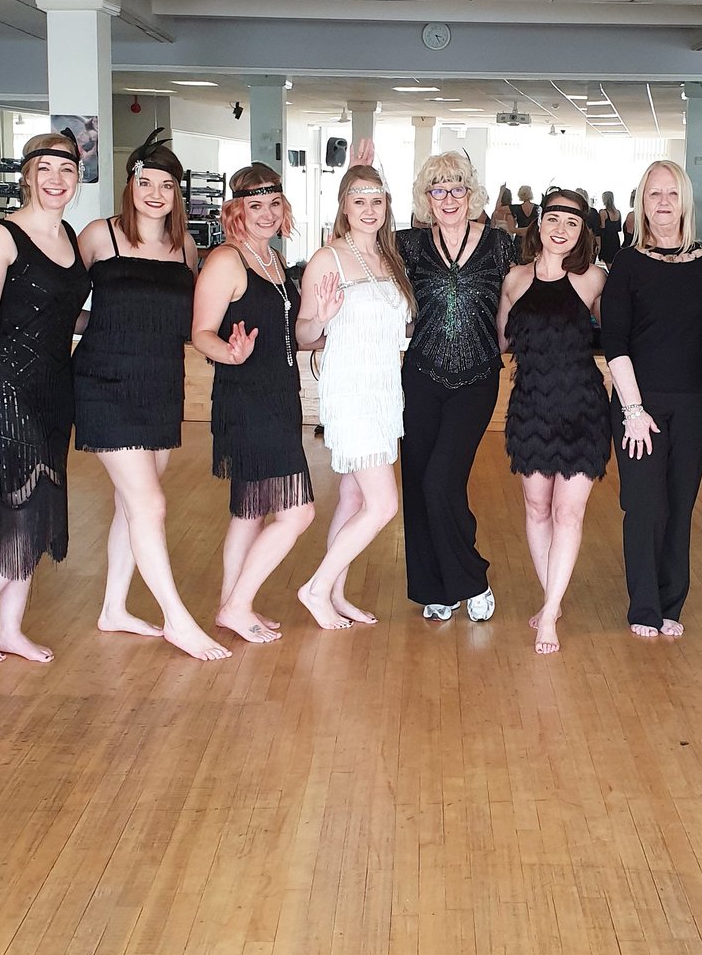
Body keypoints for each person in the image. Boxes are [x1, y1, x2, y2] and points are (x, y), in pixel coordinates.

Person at [74, 129, 229, 661]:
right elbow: (61, 302)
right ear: (131, 183)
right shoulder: (100, 236)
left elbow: (191, 317)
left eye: (167, 184)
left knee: (130, 505)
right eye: (147, 181)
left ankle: (114, 607)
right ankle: (176, 618)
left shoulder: (184, 246)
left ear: (177, 193)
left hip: (160, 384)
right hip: (103, 382)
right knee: (151, 504)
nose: (156, 193)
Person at [0, 131, 91, 665]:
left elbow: (62, 316)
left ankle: (9, 629)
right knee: (24, 511)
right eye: (45, 169)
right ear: (27, 175)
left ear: (77, 179)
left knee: (39, 508)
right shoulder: (4, 238)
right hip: (5, 386)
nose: (56, 179)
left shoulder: (70, 236)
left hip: (54, 385)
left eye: (66, 170)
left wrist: (113, 327)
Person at [599, 159, 702, 638]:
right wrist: (633, 411)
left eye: (672, 193)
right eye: (654, 194)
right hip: (639, 404)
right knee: (643, 503)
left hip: (697, 402)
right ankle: (644, 607)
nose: (664, 203)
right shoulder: (628, 264)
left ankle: (672, 604)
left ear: (685, 200)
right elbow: (616, 341)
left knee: (680, 503)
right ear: (641, 202)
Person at [191, 163, 314, 643]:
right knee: (297, 512)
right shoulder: (227, 260)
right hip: (246, 400)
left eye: (274, 204)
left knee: (249, 511)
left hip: (279, 395)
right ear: (236, 210)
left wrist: (321, 322)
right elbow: (201, 331)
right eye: (254, 206)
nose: (266, 214)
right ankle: (238, 604)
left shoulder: (275, 262)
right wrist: (229, 351)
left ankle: (231, 606)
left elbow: (288, 333)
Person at [294, 162, 414, 629]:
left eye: (376, 201)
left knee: (352, 496)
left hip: (386, 389)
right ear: (343, 206)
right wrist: (322, 316)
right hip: (352, 391)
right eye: (358, 201)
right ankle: (316, 587)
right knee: (383, 504)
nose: (368, 209)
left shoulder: (391, 258)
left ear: (387, 207)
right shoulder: (329, 258)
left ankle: (337, 592)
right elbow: (304, 333)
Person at [397, 152, 515, 621]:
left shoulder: (501, 245)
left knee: (441, 480)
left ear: (472, 193)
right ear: (426, 198)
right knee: (418, 484)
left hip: (477, 378)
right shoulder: (407, 245)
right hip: (421, 376)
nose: (448, 198)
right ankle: (436, 588)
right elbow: (355, 246)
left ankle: (472, 577)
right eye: (438, 189)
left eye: (457, 187)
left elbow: (524, 294)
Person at [497, 188, 609, 653]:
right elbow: (501, 343)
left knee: (568, 511)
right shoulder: (515, 279)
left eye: (572, 222)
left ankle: (548, 618)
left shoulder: (594, 280)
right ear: (539, 223)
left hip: (582, 407)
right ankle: (552, 600)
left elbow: (621, 340)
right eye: (554, 219)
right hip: (531, 408)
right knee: (537, 508)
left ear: (582, 231)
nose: (560, 229)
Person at [510, 185, 537, 257]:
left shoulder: (515, 208)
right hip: (532, 239)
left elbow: (498, 209)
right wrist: (529, 229)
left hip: (520, 239)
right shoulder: (538, 208)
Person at [599, 190, 623, 264]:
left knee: (608, 262)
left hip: (606, 240)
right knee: (614, 261)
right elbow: (619, 228)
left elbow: (602, 227)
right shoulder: (618, 212)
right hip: (615, 239)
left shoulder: (603, 212)